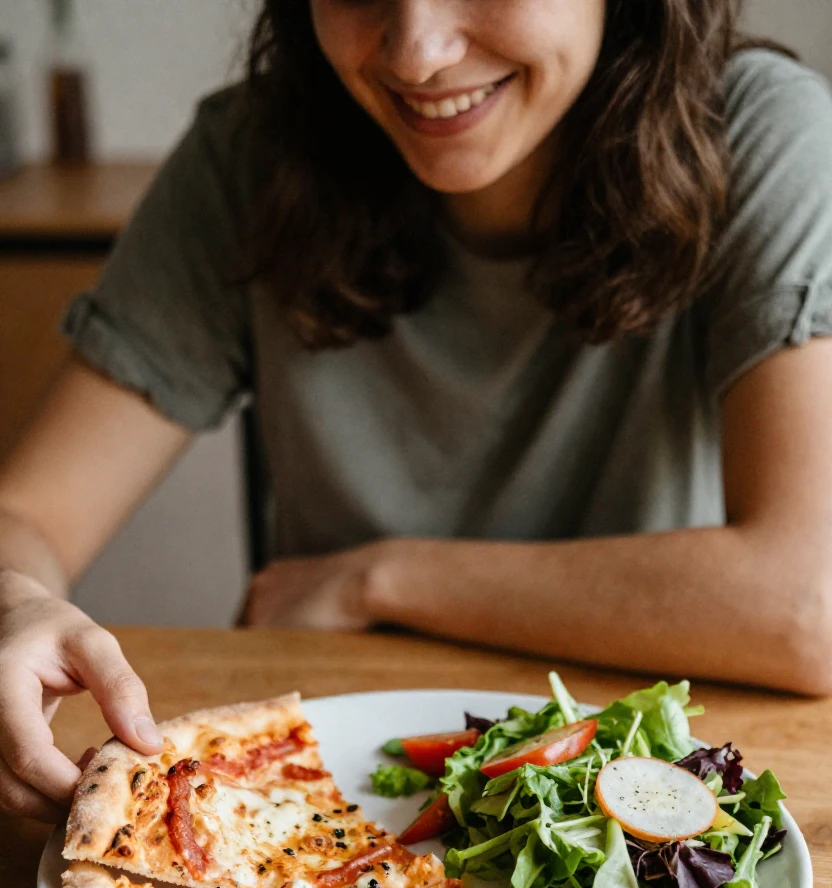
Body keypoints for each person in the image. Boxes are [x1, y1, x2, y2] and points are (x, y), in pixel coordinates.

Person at [1, 0, 831, 822]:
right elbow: (30, 511)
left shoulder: (762, 131)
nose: (419, 54)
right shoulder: (248, 153)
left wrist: (379, 580)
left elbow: (808, 604)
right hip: (319, 802)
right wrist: (15, 603)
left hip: (640, 785)